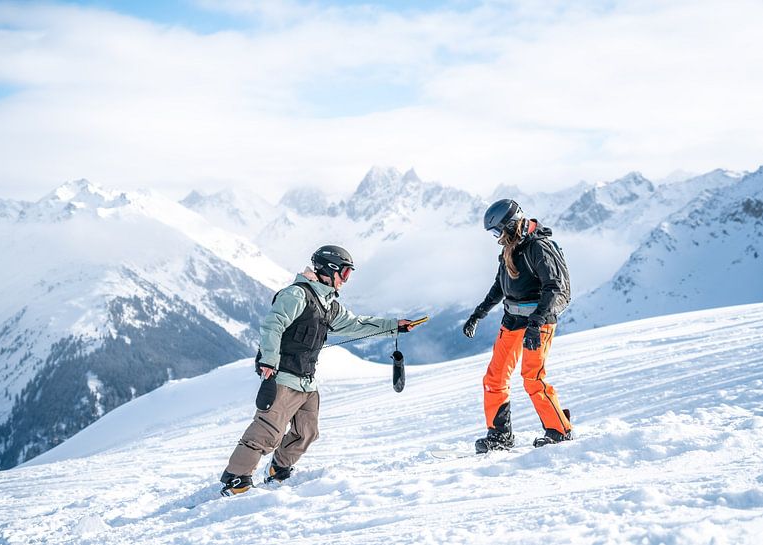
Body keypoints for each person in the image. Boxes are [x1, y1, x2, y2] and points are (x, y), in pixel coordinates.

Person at [220, 245, 418, 496]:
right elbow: (272, 325)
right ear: (329, 269)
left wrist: (393, 326)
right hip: (282, 376)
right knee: (267, 431)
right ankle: (236, 477)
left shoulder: (328, 304)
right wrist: (268, 362)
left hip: (306, 381)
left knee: (307, 432)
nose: (346, 280)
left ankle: (278, 469)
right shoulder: (297, 295)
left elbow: (354, 324)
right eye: (345, 273)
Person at [463, 199, 573, 452]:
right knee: (494, 378)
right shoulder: (510, 247)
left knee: (532, 377)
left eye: (496, 231)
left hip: (539, 321)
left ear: (510, 225)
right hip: (512, 320)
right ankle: (500, 436)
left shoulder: (538, 248)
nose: (496, 238)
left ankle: (559, 430)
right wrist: (478, 314)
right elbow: (500, 286)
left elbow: (553, 287)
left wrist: (535, 324)